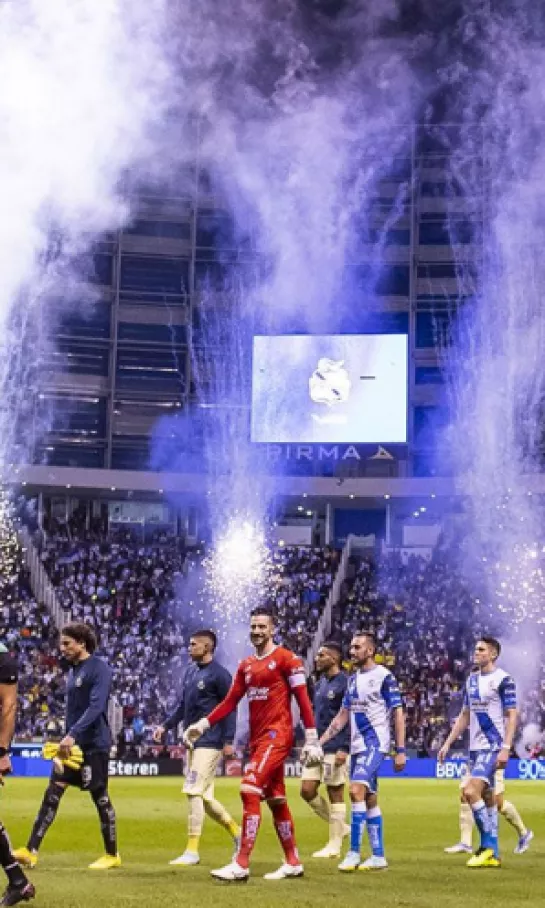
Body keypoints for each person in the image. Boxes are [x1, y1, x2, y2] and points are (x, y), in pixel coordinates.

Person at [183, 607, 322, 882]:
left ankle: (242, 863)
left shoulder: (287, 659)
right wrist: (203, 725)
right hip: (258, 740)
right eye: (253, 627)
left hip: (278, 734)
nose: (257, 631)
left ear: (272, 629)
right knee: (276, 800)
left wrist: (312, 737)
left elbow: (303, 699)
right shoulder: (246, 665)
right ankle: (292, 861)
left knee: (248, 789)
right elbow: (230, 701)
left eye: (262, 627)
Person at [14, 623, 120, 870]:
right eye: (61, 643)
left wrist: (72, 734)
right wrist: (67, 736)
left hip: (94, 744)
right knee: (53, 791)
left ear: (82, 643)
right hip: (72, 745)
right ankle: (31, 850)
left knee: (100, 797)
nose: (62, 649)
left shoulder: (99, 668)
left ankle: (112, 854)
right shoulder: (74, 671)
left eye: (67, 643)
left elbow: (96, 707)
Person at [318, 631, 406, 872]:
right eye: (352, 647)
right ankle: (378, 856)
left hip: (375, 744)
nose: (352, 651)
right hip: (358, 746)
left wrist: (400, 750)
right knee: (369, 798)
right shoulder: (354, 679)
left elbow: (398, 712)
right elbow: (342, 716)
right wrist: (321, 740)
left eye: (357, 647)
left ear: (370, 651)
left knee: (355, 790)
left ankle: (354, 853)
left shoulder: (384, 677)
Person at [153, 629, 240, 865]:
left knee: (192, 790)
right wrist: (166, 726)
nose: (189, 648)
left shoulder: (220, 675)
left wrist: (229, 740)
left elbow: (230, 707)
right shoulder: (191, 672)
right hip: (193, 741)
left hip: (211, 741)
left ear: (207, 647)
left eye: (193, 644)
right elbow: (183, 706)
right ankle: (238, 833)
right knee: (204, 796)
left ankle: (192, 851)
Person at [438, 636, 518, 869]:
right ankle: (493, 856)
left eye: (481, 650)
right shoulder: (472, 680)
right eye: (475, 649)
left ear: (493, 654)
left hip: (492, 746)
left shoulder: (503, 680)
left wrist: (506, 747)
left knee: (469, 791)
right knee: (487, 799)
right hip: (474, 748)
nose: (476, 652)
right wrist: (447, 743)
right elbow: (465, 715)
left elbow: (512, 714)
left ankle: (488, 847)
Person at [300, 642, 349, 858]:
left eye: (322, 655)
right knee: (307, 790)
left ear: (334, 659)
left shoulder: (346, 683)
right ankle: (341, 827)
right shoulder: (319, 684)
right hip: (318, 746)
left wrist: (344, 747)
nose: (317, 658)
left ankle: (334, 845)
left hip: (335, 746)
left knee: (334, 792)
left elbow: (350, 718)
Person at [0, 643, 35, 906]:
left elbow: (9, 705)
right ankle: (18, 881)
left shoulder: (2, 658)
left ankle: (18, 881)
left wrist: (2, 751)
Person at [444, 766, 533, 856]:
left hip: (489, 759)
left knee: (498, 803)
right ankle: (465, 843)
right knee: (465, 796)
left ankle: (524, 833)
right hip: (472, 758)